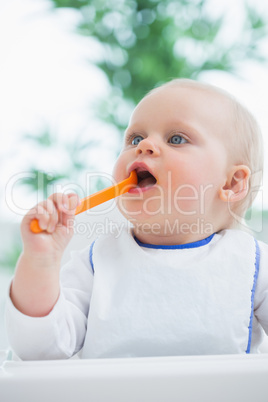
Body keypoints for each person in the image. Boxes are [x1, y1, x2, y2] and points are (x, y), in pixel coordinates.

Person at [5, 79, 268, 360]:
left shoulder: (253, 263)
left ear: (231, 184)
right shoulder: (95, 263)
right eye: (135, 138)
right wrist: (39, 261)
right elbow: (39, 351)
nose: (145, 145)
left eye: (176, 138)